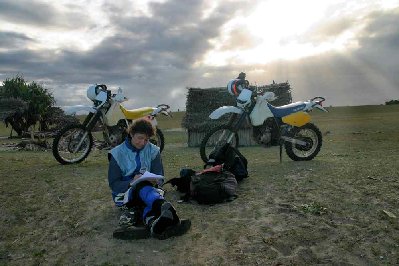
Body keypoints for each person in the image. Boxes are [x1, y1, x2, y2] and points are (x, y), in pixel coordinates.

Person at [108, 118, 185, 239]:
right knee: (140, 186)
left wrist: (155, 180)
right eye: (140, 138)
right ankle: (165, 208)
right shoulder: (117, 153)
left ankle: (153, 225)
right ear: (131, 134)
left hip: (149, 191)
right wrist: (131, 182)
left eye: (146, 139)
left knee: (143, 194)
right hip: (125, 194)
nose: (143, 143)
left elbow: (159, 176)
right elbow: (114, 184)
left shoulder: (153, 150)